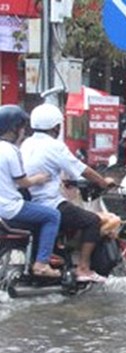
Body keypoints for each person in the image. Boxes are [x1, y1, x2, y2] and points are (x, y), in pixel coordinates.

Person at [22, 103, 117, 283]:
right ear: (56, 126)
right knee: (92, 221)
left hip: (28, 203)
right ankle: (83, 269)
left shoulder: (26, 143)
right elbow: (82, 169)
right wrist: (103, 182)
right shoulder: (55, 146)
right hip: (49, 203)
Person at [0, 104, 61, 279]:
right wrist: (40, 179)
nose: (23, 132)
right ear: (14, 128)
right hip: (10, 207)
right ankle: (42, 264)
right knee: (52, 215)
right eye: (21, 128)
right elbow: (23, 182)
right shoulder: (10, 151)